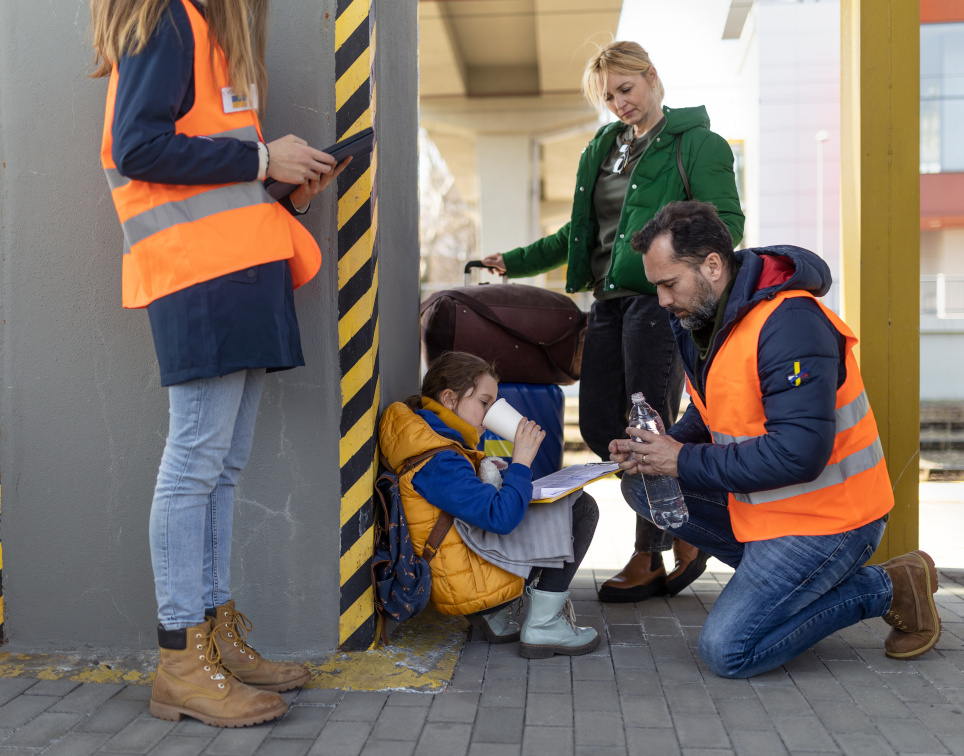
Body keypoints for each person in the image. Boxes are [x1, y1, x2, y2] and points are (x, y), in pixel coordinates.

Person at [91, 0, 350, 727]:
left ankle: (212, 637)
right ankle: (181, 658)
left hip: (231, 272)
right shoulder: (169, 18)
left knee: (221, 464)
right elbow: (137, 146)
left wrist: (278, 184)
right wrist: (265, 158)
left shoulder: (203, 27)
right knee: (195, 462)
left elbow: (207, 171)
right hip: (198, 278)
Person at [610, 201, 941, 678]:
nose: (662, 300)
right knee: (641, 483)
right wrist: (656, 448)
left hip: (833, 519)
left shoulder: (791, 322)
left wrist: (680, 460)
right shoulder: (702, 318)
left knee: (728, 651)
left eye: (668, 284)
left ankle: (890, 586)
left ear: (713, 265)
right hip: (771, 507)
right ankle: (786, 585)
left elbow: (799, 454)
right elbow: (709, 413)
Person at [481, 40, 744, 603]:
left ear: (651, 76)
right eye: (608, 96)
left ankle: (650, 552)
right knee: (603, 428)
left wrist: (680, 272)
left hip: (659, 297)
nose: (618, 103)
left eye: (625, 89)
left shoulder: (697, 144)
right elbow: (578, 236)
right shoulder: (604, 147)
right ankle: (683, 529)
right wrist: (516, 261)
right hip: (608, 301)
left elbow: (727, 223)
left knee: (646, 424)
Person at [378, 352, 601, 659]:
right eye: (484, 402)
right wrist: (521, 461)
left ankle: (494, 618)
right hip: (469, 588)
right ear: (449, 398)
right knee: (581, 507)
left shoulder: (428, 438)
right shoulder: (439, 459)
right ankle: (544, 626)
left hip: (464, 572)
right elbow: (499, 518)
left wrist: (486, 467)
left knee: (549, 502)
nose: (489, 414)